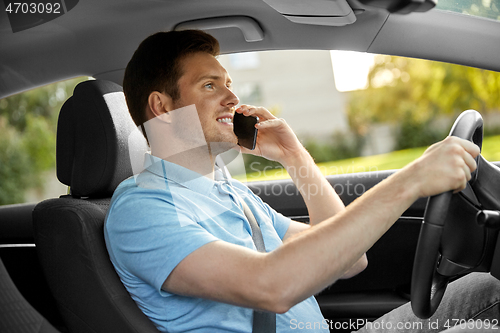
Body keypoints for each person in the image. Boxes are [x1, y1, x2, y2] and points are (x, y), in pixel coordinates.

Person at [104, 30, 499, 333]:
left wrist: (296, 157)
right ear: (163, 107)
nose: (232, 97)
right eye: (210, 86)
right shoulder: (142, 210)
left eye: (228, 83)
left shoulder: (230, 192)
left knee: (487, 288)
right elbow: (271, 286)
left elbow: (349, 260)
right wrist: (411, 179)